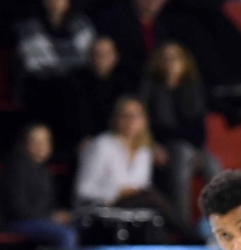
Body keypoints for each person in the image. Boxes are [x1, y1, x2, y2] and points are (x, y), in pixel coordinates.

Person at [74, 96, 191, 239]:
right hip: (104, 206)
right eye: (126, 116)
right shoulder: (102, 145)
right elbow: (83, 189)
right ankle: (191, 235)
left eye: (136, 116)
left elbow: (141, 185)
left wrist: (132, 192)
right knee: (152, 198)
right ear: (116, 119)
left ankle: (186, 238)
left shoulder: (144, 150)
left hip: (135, 205)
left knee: (152, 203)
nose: (131, 121)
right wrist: (118, 192)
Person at [141, 41, 221, 219]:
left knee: (213, 165)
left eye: (175, 58)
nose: (171, 63)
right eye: (166, 58)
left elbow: (198, 128)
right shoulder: (150, 88)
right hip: (162, 146)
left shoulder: (193, 88)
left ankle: (220, 223)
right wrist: (152, 145)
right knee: (183, 156)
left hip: (191, 145)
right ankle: (181, 223)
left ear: (185, 63)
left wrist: (195, 148)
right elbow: (148, 125)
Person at [15, 0, 97, 154]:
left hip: (76, 84)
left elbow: (89, 59)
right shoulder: (30, 27)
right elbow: (37, 63)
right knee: (68, 89)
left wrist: (68, 67)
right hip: (41, 84)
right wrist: (69, 66)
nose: (55, 0)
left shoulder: (82, 24)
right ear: (43, 0)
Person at [0, 123, 79, 250]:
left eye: (45, 141)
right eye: (36, 141)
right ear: (25, 143)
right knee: (66, 235)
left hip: (41, 219)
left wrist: (58, 215)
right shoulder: (16, 168)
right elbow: (18, 209)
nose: (41, 146)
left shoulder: (43, 170)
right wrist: (51, 217)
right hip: (20, 222)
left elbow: (48, 203)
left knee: (82, 226)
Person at [74, 35, 124, 146]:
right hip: (87, 140)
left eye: (107, 53)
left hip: (117, 138)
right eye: (97, 53)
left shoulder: (125, 83)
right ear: (90, 56)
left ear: (116, 57)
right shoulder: (76, 82)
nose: (102, 57)